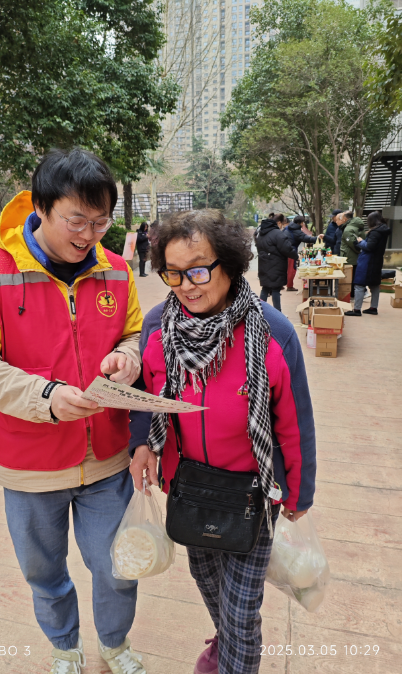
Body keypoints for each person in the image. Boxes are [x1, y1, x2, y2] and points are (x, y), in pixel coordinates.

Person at [0, 148, 147, 674]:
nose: (89, 235)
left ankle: (115, 644)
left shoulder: (116, 270)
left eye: (101, 222)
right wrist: (46, 397)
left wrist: (128, 358)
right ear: (41, 208)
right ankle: (64, 646)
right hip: (30, 463)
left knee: (116, 566)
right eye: (76, 221)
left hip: (106, 457)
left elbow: (133, 333)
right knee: (44, 572)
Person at [128, 209, 316, 674]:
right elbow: (147, 394)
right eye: (173, 273)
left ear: (229, 265)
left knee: (241, 612)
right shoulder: (158, 325)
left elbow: (295, 423)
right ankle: (227, 642)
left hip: (252, 496)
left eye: (198, 270)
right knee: (210, 585)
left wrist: (299, 492)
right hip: (190, 490)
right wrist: (142, 443)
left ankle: (234, 650)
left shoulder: (272, 331)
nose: (186, 286)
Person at [345, 211, 390, 317]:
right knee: (374, 285)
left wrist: (360, 242)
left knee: (359, 285)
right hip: (377, 260)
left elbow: (369, 247)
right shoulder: (383, 231)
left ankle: (357, 310)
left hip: (367, 261)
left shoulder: (375, 232)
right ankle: (373, 307)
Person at [254, 215, 298, 311]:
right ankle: (278, 312)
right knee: (276, 289)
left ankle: (260, 311)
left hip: (263, 264)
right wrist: (296, 256)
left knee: (265, 288)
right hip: (276, 265)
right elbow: (287, 248)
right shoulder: (277, 233)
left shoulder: (261, 233)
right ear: (278, 223)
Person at [338, 211, 364, 300]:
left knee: (351, 277)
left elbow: (353, 244)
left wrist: (359, 251)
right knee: (354, 276)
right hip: (354, 256)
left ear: (345, 219)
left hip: (350, 257)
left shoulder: (348, 229)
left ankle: (351, 294)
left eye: (341, 218)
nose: (340, 220)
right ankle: (353, 293)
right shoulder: (356, 225)